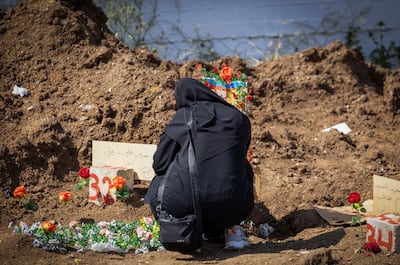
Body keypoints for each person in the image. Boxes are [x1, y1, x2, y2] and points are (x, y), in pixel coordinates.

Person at [144, 77, 254, 249]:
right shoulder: (239, 119)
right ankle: (222, 230)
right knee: (243, 168)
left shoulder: (184, 116)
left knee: (157, 184)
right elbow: (238, 159)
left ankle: (181, 227)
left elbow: (160, 164)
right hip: (235, 207)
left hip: (184, 206)